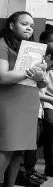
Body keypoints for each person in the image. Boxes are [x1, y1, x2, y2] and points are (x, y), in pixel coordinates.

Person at [0, 11, 47, 187]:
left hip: (29, 101)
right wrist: (31, 72)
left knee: (20, 150)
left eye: (31, 25)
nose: (29, 28)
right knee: (6, 147)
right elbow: (1, 77)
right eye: (24, 24)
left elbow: (43, 81)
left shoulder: (33, 50)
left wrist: (41, 75)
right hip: (9, 103)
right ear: (11, 25)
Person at [39, 30, 53, 177]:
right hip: (46, 102)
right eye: (51, 40)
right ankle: (50, 164)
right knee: (50, 125)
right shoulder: (41, 60)